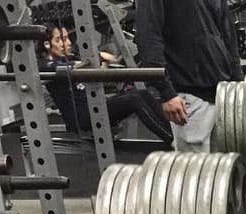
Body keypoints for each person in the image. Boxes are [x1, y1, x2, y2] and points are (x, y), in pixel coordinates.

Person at [40, 23, 173, 144]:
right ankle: (171, 141)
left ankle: (174, 135)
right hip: (81, 118)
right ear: (47, 44)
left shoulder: (69, 58)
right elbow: (71, 67)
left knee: (142, 93)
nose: (68, 43)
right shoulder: (46, 66)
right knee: (135, 99)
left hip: (94, 107)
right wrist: (97, 58)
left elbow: (97, 63)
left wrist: (101, 61)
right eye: (60, 40)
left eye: (67, 38)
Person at [137, 0, 243, 152]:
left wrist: (238, 84)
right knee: (195, 171)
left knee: (223, 170)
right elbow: (148, 36)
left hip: (222, 94)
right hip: (188, 96)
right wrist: (165, 91)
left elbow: (228, 35)